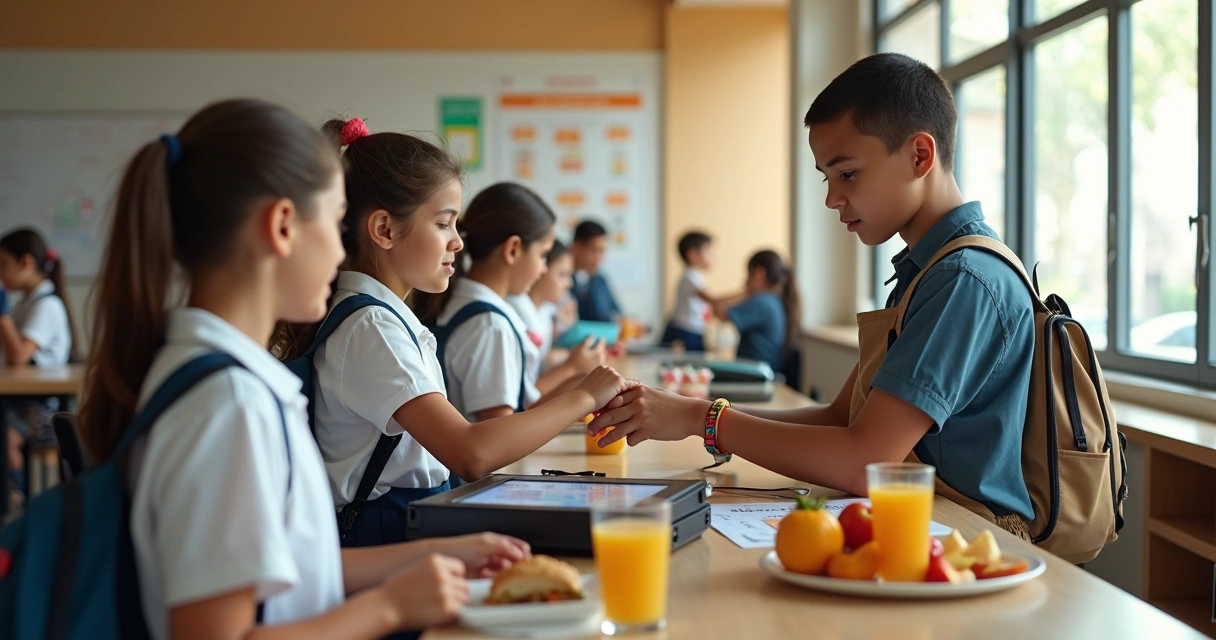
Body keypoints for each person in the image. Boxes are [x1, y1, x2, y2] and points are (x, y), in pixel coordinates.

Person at [79, 100, 529, 639]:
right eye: (336, 221)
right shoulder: (228, 405)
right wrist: (387, 607)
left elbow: (289, 568)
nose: (343, 248)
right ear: (283, 227)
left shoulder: (229, 381)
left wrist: (434, 552)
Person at [587, 53, 1037, 537]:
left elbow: (865, 461)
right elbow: (839, 418)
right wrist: (686, 413)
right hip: (924, 526)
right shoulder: (926, 270)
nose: (831, 198)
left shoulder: (962, 279)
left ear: (919, 156)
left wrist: (702, 417)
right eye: (827, 178)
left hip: (970, 539)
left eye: (847, 174)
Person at [274, 125, 635, 546]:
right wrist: (584, 396)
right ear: (385, 230)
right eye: (444, 224)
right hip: (385, 533)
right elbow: (471, 451)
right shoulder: (372, 328)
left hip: (411, 517)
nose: (458, 243)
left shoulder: (383, 318)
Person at [416, 183, 606, 422]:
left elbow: (520, 413)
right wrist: (584, 396)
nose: (543, 268)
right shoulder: (490, 325)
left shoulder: (468, 304)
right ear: (513, 249)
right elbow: (499, 434)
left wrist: (580, 383)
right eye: (542, 255)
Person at [0, 227, 77, 511]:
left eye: (4, 265)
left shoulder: (48, 306)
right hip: (22, 406)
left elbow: (18, 355)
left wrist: (2, 311)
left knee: (3, 432)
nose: (1, 273)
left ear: (26, 263)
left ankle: (13, 498)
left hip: (44, 412)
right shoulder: (27, 304)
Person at [508, 239, 577, 372]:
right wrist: (571, 365)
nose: (569, 284)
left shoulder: (545, 308)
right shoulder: (519, 310)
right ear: (540, 271)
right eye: (562, 274)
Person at [659, 231, 713, 353]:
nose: (712, 256)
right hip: (685, 332)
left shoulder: (697, 276)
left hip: (693, 330)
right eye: (708, 252)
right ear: (692, 254)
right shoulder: (690, 276)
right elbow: (711, 300)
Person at [569, 220, 621, 322]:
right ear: (576, 248)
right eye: (594, 251)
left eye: (602, 251)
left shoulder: (601, 280)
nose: (599, 258)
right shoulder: (561, 280)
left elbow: (616, 313)